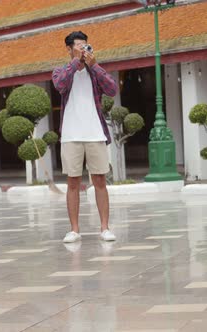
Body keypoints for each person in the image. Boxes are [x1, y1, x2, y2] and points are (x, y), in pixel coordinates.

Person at [52, 31, 118, 243]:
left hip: (95, 132)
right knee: (73, 182)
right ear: (69, 49)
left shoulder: (94, 72)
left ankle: (105, 228)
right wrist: (75, 63)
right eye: (79, 46)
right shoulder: (61, 71)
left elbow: (112, 90)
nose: (83, 50)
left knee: (100, 180)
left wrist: (94, 65)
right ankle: (74, 230)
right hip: (71, 134)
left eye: (86, 46)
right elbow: (60, 85)